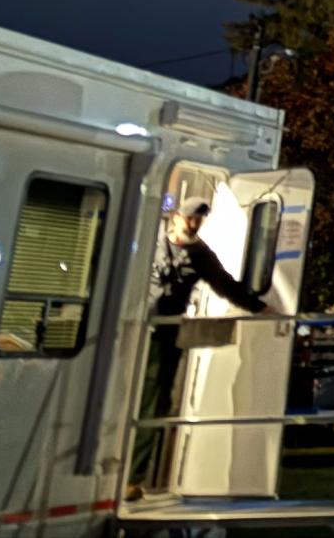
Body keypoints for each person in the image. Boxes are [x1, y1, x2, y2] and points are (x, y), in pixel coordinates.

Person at [128, 201, 271, 497]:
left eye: (199, 220)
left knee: (153, 404)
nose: (194, 224)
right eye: (191, 218)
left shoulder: (200, 254)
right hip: (132, 327)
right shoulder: (150, 240)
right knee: (132, 399)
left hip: (164, 335)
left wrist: (260, 308)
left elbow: (225, 285)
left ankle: (132, 477)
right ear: (177, 216)